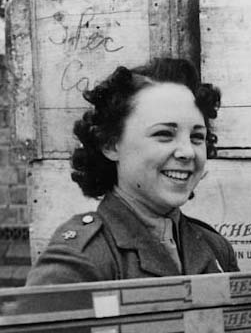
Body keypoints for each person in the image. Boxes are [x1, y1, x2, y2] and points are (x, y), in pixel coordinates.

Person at [26, 58, 239, 285]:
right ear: (110, 144)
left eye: (197, 137)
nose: (188, 152)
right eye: (164, 134)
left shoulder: (215, 248)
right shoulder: (81, 259)